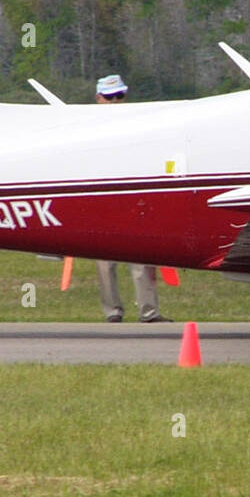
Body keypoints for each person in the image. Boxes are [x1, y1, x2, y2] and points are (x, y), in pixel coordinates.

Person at [92, 74, 169, 323]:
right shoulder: (88, 128)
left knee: (142, 257)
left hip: (133, 200)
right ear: (98, 98)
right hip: (102, 200)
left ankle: (149, 311)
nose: (115, 102)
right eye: (109, 97)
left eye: (119, 96)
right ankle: (112, 311)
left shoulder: (139, 125)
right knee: (105, 262)